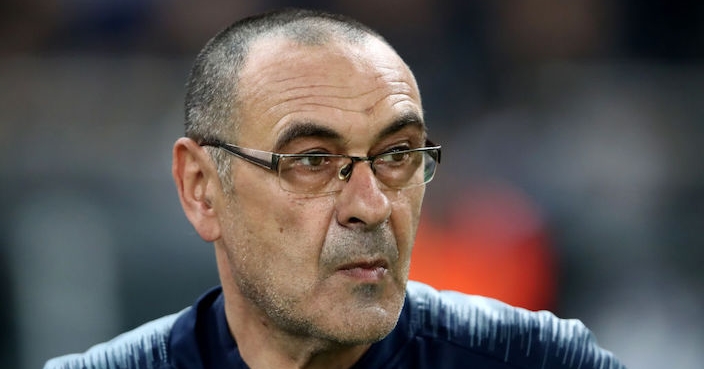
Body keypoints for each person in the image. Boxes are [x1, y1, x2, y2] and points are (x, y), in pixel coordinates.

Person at [44, 8, 625, 369]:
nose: (370, 205)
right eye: (313, 161)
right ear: (201, 189)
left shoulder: (535, 360)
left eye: (397, 155)